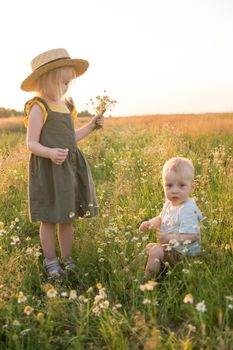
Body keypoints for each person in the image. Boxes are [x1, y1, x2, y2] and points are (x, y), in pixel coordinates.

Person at [21, 48, 103, 278]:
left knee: (67, 217)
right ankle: (50, 261)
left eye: (68, 84)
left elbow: (70, 138)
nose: (65, 88)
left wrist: (91, 126)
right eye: (62, 83)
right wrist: (48, 152)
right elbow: (31, 143)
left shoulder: (67, 105)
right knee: (49, 217)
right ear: (46, 80)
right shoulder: (39, 106)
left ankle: (67, 259)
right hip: (48, 168)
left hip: (67, 168)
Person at [139, 156, 203, 276]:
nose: (174, 190)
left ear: (192, 187)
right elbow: (161, 219)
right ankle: (137, 270)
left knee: (156, 250)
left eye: (181, 185)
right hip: (173, 249)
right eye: (169, 185)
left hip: (186, 256)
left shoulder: (187, 209)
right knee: (149, 247)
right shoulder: (170, 203)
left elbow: (193, 237)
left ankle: (147, 282)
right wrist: (150, 223)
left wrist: (168, 238)